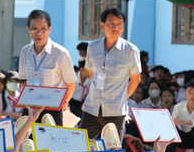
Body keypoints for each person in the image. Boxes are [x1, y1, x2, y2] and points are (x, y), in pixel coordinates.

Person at [80, 8, 140, 140]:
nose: (115, 27)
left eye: (119, 23)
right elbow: (91, 74)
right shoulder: (93, 47)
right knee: (82, 147)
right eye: (111, 23)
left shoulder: (130, 50)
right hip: (91, 108)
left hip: (115, 111)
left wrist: (122, 97)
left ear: (123, 27)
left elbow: (135, 79)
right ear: (103, 26)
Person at [18, 10, 76, 126]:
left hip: (52, 110)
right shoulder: (24, 52)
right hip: (30, 108)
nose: (38, 33)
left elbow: (70, 84)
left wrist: (64, 103)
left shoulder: (61, 53)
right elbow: (24, 81)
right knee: (27, 142)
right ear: (28, 29)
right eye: (34, 29)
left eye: (43, 29)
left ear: (50, 29)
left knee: (50, 143)